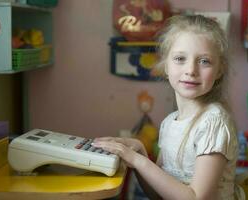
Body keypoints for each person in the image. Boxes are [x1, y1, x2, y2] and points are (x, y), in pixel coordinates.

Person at [92, 15, 239, 200]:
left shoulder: (213, 121)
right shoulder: (169, 123)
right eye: (180, 58)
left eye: (204, 61)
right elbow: (157, 194)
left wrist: (138, 161)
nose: (191, 70)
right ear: (165, 66)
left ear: (219, 69)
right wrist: (140, 153)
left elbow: (196, 198)